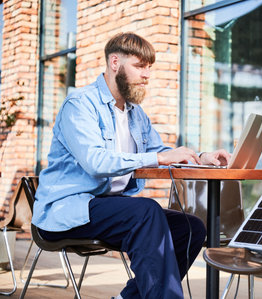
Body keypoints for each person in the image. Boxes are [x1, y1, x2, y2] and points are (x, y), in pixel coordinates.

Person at [32, 32, 231, 299]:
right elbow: (95, 162)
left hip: (110, 209)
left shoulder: (136, 114)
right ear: (115, 62)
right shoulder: (79, 105)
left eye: (149, 67)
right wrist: (159, 158)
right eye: (139, 66)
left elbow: (160, 152)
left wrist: (200, 156)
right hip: (68, 211)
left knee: (191, 227)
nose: (147, 74)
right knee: (145, 211)